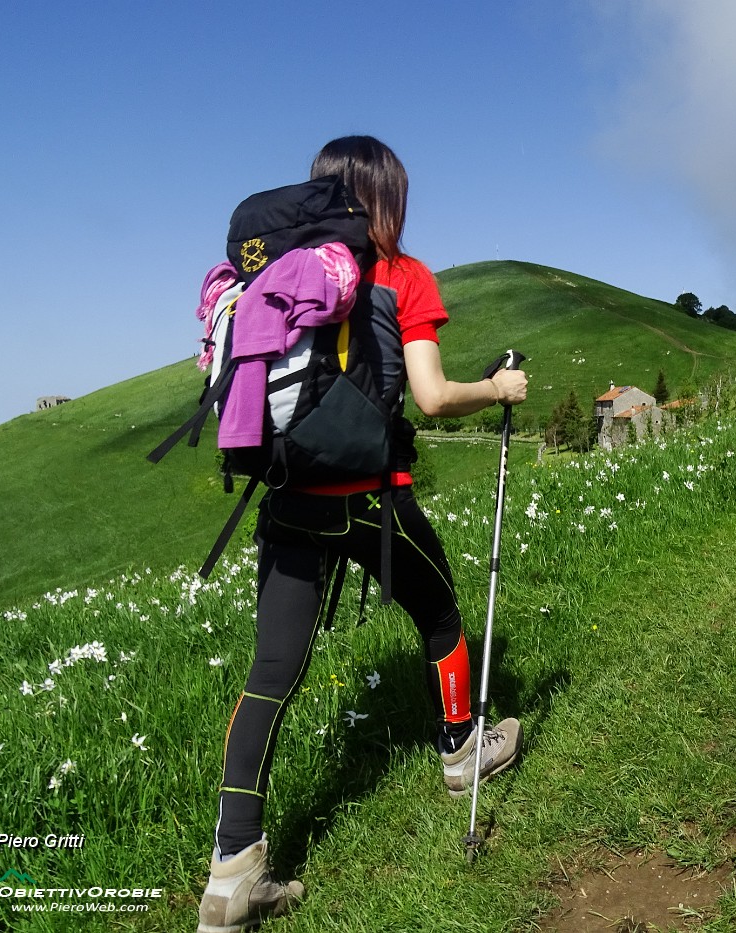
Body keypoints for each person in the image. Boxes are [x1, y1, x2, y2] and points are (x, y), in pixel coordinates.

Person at [197, 135, 528, 933]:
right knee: (442, 612)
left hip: (285, 496)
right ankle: (461, 751)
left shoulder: (273, 276)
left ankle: (231, 875)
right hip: (372, 496)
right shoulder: (401, 276)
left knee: (271, 673)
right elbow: (434, 396)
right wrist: (500, 385)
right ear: (387, 198)